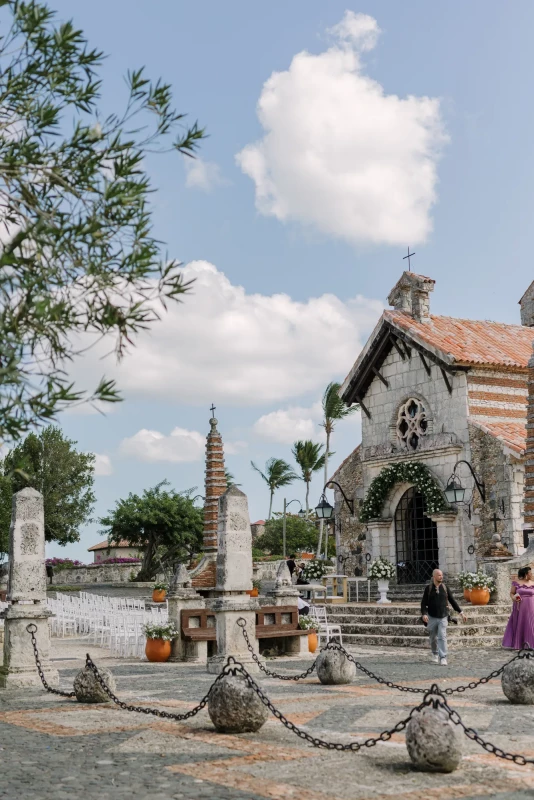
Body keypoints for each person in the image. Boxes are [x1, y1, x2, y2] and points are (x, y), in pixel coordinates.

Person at [421, 569, 466, 666]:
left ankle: (443, 657)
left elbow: (452, 601)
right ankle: (435, 653)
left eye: (441, 575)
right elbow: (423, 603)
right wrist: (424, 614)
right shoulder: (428, 589)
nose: (441, 577)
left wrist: (461, 612)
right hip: (432, 616)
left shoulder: (445, 588)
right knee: (433, 637)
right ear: (434, 577)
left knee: (442, 636)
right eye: (439, 575)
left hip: (443, 616)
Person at [502, 566, 534, 649]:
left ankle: (531, 644)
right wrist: (513, 598)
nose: (532, 574)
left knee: (531, 623)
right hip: (519, 607)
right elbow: (512, 593)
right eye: (530, 573)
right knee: (520, 623)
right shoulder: (516, 583)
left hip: (531, 606)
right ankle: (519, 644)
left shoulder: (533, 583)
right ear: (526, 574)